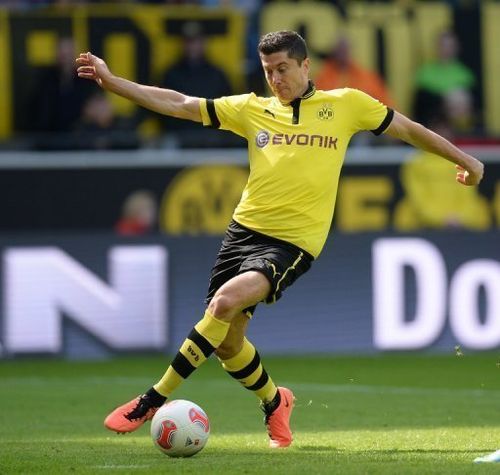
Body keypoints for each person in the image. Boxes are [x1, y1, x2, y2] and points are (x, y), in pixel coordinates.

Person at [76, 30, 484, 448]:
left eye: (283, 69)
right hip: (242, 232)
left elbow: (409, 130)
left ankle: (151, 399)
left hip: (292, 243)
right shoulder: (252, 109)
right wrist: (113, 82)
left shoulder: (346, 104)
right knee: (227, 341)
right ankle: (275, 402)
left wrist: (466, 159)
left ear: (306, 66)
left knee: (223, 303)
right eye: (269, 71)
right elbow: (179, 103)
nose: (275, 79)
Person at [413, 30, 476, 127]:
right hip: (433, 123)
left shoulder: (465, 74)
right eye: (443, 45)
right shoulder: (424, 73)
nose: (446, 49)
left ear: (456, 48)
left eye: (450, 46)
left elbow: (471, 108)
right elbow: (420, 105)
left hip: (460, 124)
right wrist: (445, 100)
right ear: (436, 47)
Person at [314, 35, 393, 107]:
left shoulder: (368, 78)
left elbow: (387, 106)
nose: (342, 54)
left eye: (345, 50)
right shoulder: (323, 78)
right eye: (340, 50)